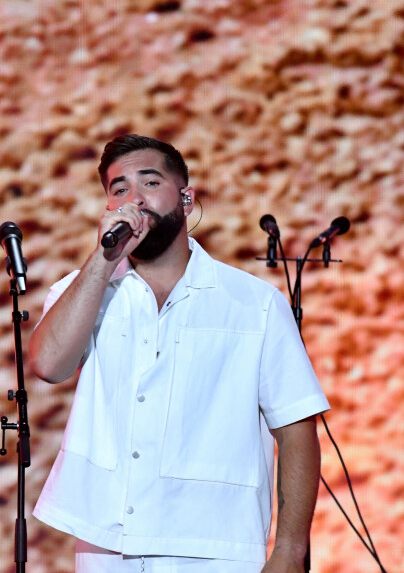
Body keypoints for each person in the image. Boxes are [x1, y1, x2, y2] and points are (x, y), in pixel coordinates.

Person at [29, 134, 330, 572]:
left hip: (215, 545)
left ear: (186, 199)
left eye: (149, 182)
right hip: (106, 544)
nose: (133, 198)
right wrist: (102, 259)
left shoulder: (254, 303)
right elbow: (48, 365)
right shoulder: (85, 289)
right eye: (119, 189)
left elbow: (297, 428)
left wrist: (289, 549)